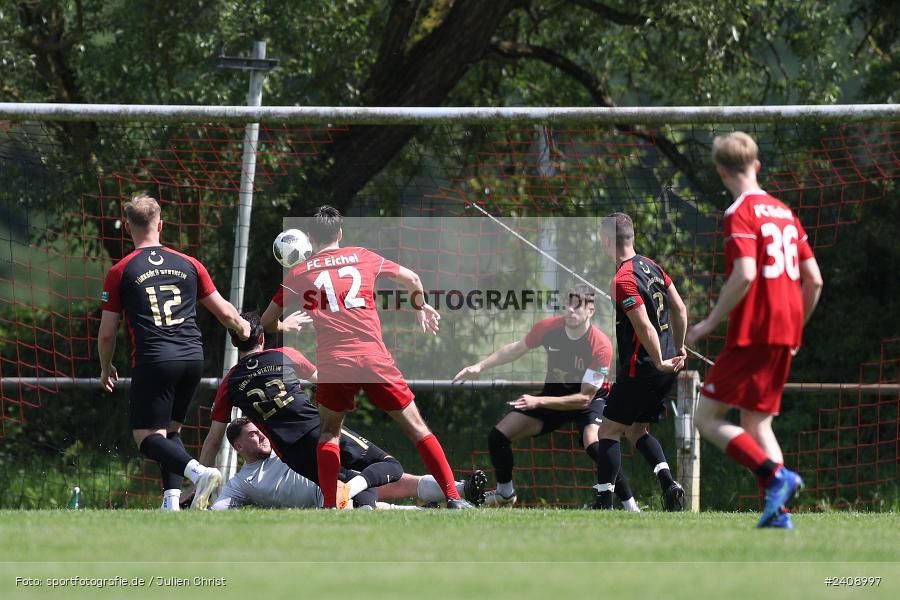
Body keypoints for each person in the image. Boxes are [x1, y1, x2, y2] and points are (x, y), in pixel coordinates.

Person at [260, 205, 472, 509]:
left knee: (329, 433)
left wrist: (285, 324)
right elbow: (411, 278)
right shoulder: (362, 256)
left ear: (309, 237)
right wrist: (420, 306)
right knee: (417, 427)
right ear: (340, 234)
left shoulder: (299, 272)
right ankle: (453, 496)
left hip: (335, 363)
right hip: (374, 358)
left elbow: (267, 321)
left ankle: (330, 506)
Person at [687, 132, 823, 529]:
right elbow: (813, 281)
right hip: (785, 330)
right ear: (757, 165)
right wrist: (796, 327)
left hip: (755, 329)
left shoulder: (739, 212)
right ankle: (779, 514)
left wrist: (709, 322)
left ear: (721, 171)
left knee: (705, 418)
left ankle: (775, 477)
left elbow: (745, 273)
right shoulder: (785, 211)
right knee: (757, 423)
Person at [97, 193, 250, 510]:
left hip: (155, 359)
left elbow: (107, 332)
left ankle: (200, 473)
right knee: (170, 431)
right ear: (161, 225)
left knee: (146, 438)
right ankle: (171, 501)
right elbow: (225, 313)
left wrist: (105, 366)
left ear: (128, 227)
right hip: (193, 358)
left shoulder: (121, 270)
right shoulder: (190, 264)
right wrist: (243, 328)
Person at [453, 284, 640, 511]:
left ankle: (631, 506)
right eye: (567, 304)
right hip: (554, 398)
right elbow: (517, 348)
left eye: (577, 305)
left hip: (589, 402)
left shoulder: (601, 345)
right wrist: (479, 366)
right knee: (498, 435)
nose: (570, 310)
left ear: (590, 310)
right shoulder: (548, 328)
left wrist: (538, 401)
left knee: (595, 444)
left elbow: (583, 399)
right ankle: (505, 494)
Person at [593, 212, 688, 511]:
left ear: (608, 241)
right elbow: (680, 309)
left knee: (606, 431)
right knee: (636, 431)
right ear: (631, 237)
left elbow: (644, 326)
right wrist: (679, 348)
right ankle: (669, 485)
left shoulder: (623, 279)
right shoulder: (653, 266)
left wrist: (659, 359)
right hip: (665, 365)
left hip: (645, 366)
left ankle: (603, 502)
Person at [208, 417, 486, 510]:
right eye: (252, 435)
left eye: (260, 430)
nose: (261, 435)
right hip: (327, 501)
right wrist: (200, 501)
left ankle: (461, 489)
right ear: (239, 447)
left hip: (338, 481)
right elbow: (221, 506)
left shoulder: (284, 448)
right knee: (368, 503)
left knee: (396, 480)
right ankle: (431, 510)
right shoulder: (242, 482)